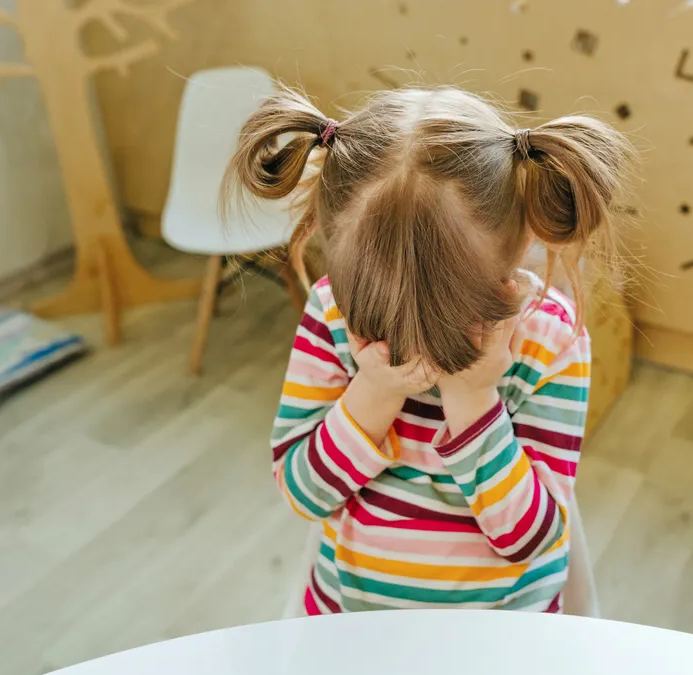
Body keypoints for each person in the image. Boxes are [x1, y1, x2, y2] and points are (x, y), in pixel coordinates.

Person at [223, 85, 632, 614]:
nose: (412, 340)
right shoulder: (331, 311)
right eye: (378, 314)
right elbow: (304, 494)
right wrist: (372, 392)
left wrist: (474, 399)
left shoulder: (551, 338)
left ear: (518, 249)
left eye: (447, 313)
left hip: (503, 637)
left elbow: (531, 540)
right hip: (350, 621)